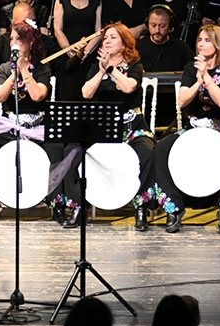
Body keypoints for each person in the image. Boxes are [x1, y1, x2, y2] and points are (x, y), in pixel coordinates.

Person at [148, 24, 220, 234]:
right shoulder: (189, 68)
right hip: (193, 126)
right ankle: (173, 209)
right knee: (161, 147)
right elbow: (182, 100)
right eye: (200, 40)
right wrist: (198, 80)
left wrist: (208, 77)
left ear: (218, 44)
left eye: (207, 40)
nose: (202, 44)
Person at [57, 22, 156, 229]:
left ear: (124, 43)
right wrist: (102, 71)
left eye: (113, 37)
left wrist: (112, 69)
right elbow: (86, 92)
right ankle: (79, 206)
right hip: (102, 127)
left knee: (148, 150)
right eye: (106, 38)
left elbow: (129, 87)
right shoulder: (97, 65)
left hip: (131, 126)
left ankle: (141, 206)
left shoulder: (134, 65)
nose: (107, 41)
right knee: (72, 151)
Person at [0, 20, 60, 224]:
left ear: (29, 43)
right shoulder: (4, 68)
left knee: (56, 147)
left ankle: (57, 205)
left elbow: (39, 95)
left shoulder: (42, 68)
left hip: (37, 125)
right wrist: (13, 73)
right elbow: (1, 96)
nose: (14, 43)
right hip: (11, 124)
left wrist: (25, 71)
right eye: (12, 39)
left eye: (19, 39)